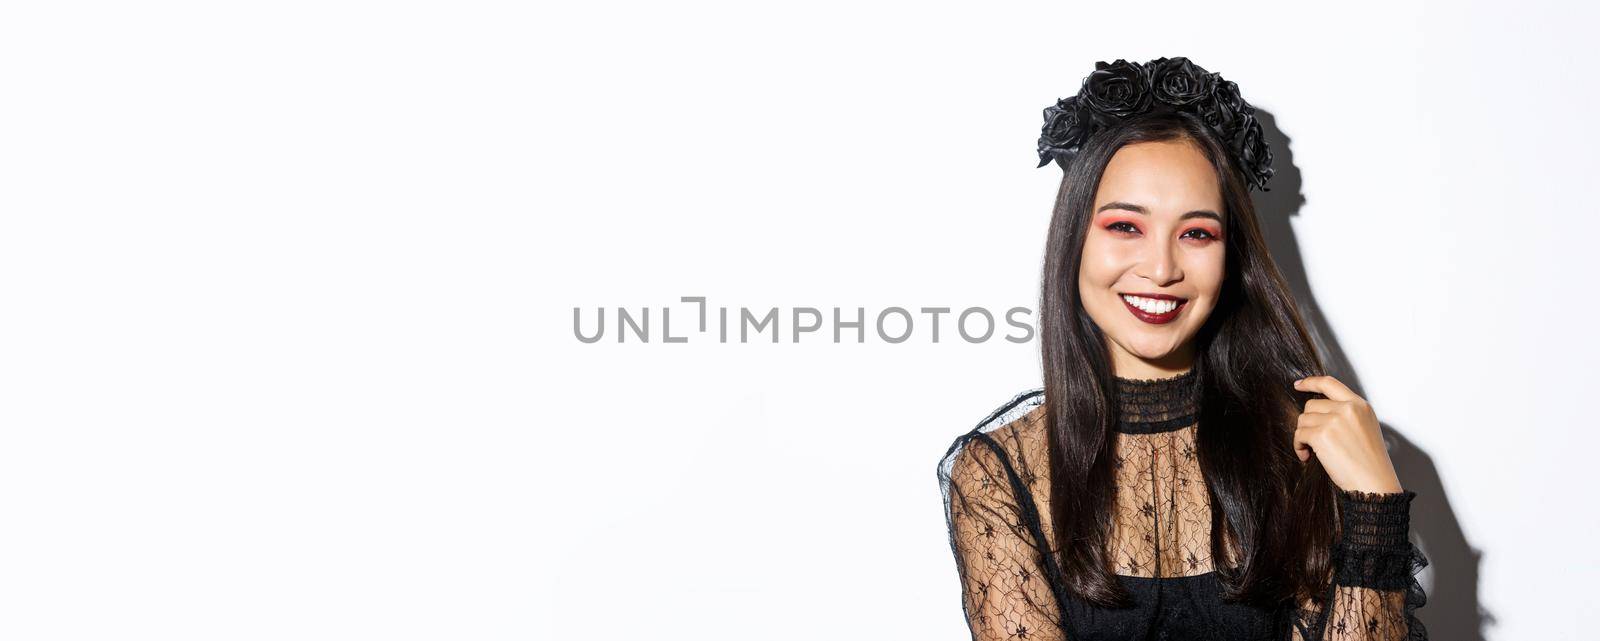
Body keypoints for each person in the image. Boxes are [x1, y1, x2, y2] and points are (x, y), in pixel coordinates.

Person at [936, 57, 1429, 641]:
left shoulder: (1302, 447)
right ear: (1074, 240)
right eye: (1125, 226)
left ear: (1231, 257)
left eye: (1196, 233)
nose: (1162, 268)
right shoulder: (1000, 474)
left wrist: (1376, 506)